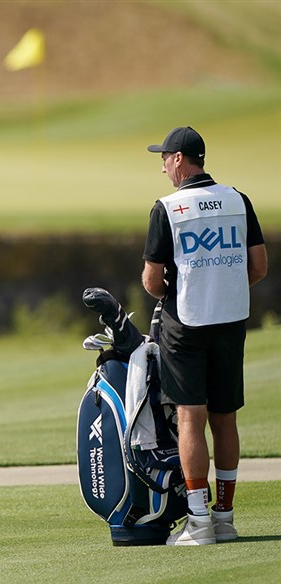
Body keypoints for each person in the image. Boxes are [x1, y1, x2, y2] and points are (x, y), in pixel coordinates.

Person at [141, 126, 268, 546]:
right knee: (225, 417)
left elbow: (152, 280)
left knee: (190, 416)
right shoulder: (238, 199)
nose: (162, 166)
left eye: (164, 158)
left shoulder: (168, 207)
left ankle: (198, 522)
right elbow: (259, 265)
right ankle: (225, 517)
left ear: (179, 159)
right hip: (231, 321)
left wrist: (183, 292)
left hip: (186, 323)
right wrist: (223, 289)